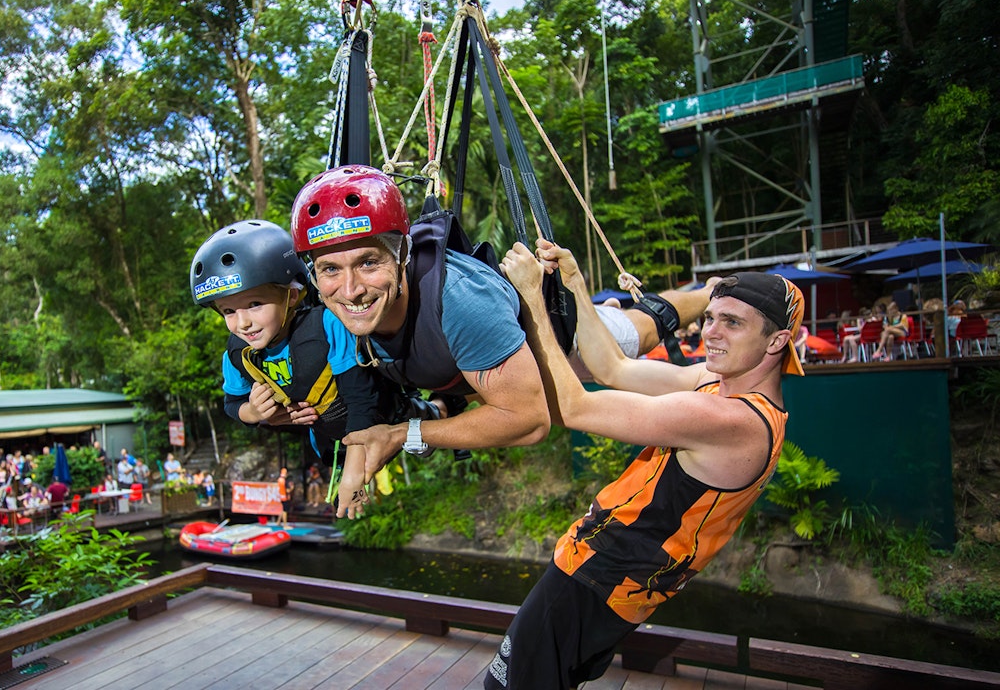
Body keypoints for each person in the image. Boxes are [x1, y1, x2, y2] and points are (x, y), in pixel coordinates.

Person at [490, 241, 800, 689]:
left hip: (598, 580)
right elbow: (613, 368)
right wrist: (576, 283)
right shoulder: (718, 386)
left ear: (776, 341)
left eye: (732, 323)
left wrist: (533, 300)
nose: (711, 332)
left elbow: (577, 409)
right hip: (613, 584)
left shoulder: (730, 419)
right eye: (710, 317)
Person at [291, 165, 714, 481]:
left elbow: (530, 421)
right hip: (469, 374)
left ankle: (710, 292)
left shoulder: (460, 302)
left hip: (559, 344)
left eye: (368, 263)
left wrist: (407, 433)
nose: (350, 290)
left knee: (636, 331)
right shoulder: (330, 312)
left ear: (401, 254)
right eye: (330, 270)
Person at [192, 219, 403, 519]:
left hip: (378, 422)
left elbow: (361, 396)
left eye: (254, 303)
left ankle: (439, 407)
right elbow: (231, 403)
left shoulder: (326, 326)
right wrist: (253, 413)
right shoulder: (239, 354)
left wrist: (354, 472)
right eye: (228, 311)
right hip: (327, 444)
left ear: (291, 295)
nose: (243, 323)